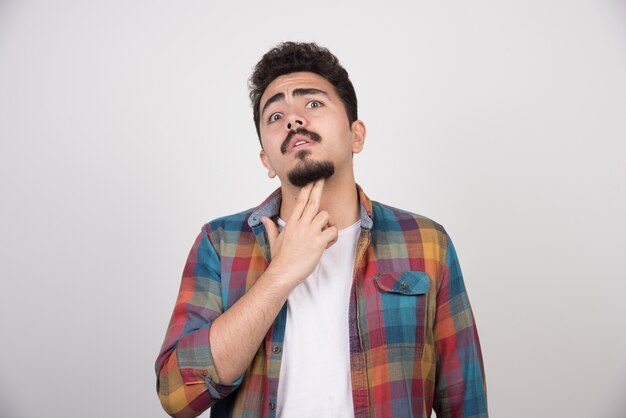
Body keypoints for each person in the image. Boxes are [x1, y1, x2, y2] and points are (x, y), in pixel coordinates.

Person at [155, 42, 488, 418]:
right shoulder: (221, 243)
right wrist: (280, 275)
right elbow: (176, 395)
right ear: (267, 160)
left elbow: (465, 402)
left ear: (356, 135)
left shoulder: (426, 242)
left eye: (312, 104)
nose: (294, 120)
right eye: (275, 115)